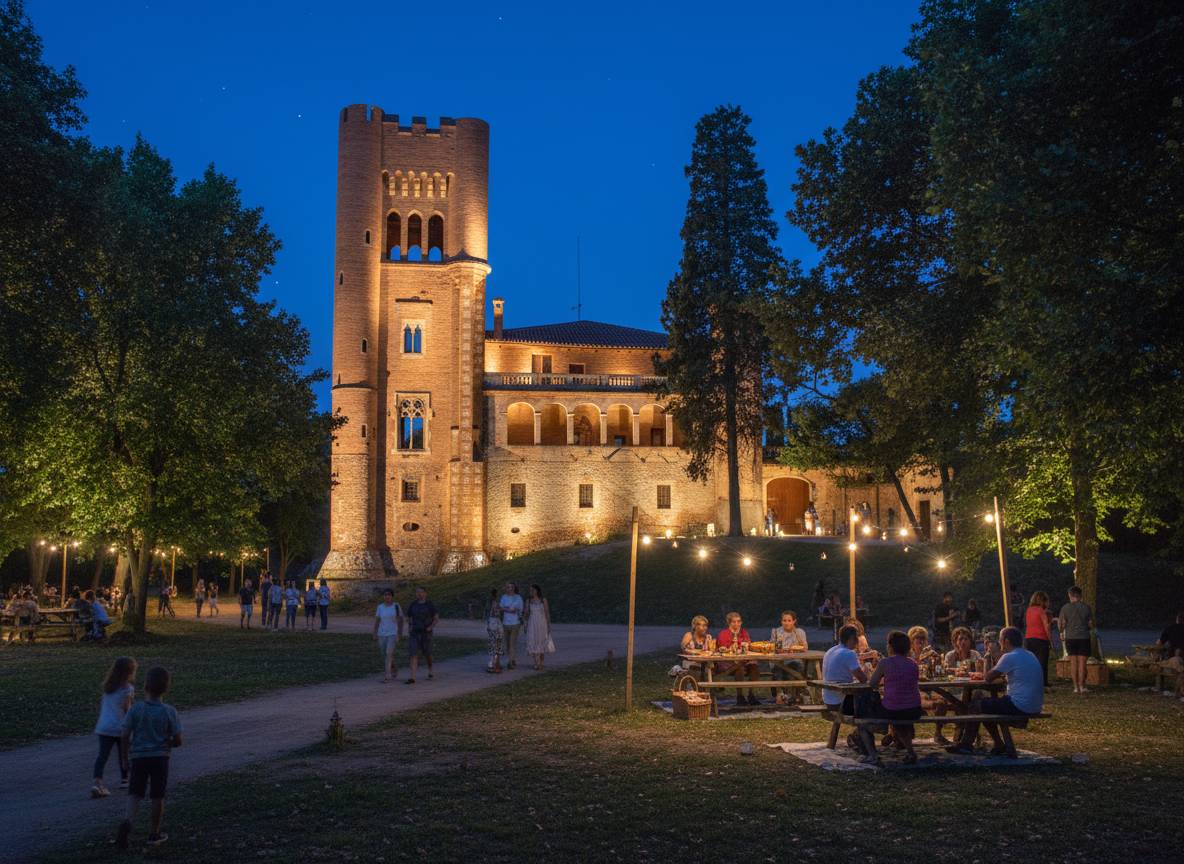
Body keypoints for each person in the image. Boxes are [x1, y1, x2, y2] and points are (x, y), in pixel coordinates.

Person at [947, 627, 1043, 756]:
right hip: (1035, 705)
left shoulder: (1009, 656)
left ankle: (966, 745)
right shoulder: (1029, 654)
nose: (999, 643)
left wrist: (991, 657)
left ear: (1006, 641)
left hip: (1019, 705)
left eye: (1000, 640)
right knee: (985, 704)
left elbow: (988, 677)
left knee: (976, 705)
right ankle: (998, 743)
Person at [116, 666, 182, 849]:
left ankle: (128, 821)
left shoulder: (136, 709)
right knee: (157, 795)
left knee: (135, 792)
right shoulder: (169, 711)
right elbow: (178, 740)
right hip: (160, 758)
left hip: (138, 758)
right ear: (167, 688)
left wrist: (124, 758)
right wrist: (168, 742)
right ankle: (154, 833)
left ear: (145, 686)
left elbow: (124, 735)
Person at [866, 630, 924, 765]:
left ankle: (870, 745)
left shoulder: (885, 663)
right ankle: (905, 747)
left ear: (890, 647)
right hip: (914, 709)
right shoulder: (913, 664)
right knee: (900, 716)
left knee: (869, 709)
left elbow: (872, 684)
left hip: (893, 709)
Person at [92, 657, 137, 798]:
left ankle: (97, 781)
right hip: (120, 727)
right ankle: (125, 778)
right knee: (123, 754)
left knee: (102, 756)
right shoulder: (128, 689)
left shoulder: (108, 687)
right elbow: (127, 709)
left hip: (104, 726)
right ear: (130, 672)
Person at [821, 625, 869, 742]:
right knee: (872, 703)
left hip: (828, 699)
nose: (857, 642)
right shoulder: (849, 653)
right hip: (840, 703)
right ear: (852, 639)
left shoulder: (831, 650)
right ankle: (861, 739)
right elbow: (863, 679)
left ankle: (859, 737)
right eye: (856, 639)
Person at [716, 612, 760, 706]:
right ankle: (740, 696)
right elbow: (722, 649)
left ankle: (751, 694)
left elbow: (748, 645)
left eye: (738, 621)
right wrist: (731, 648)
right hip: (728, 663)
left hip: (743, 660)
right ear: (729, 623)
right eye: (734, 622)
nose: (736, 624)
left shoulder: (744, 633)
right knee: (739, 669)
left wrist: (747, 646)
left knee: (754, 667)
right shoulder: (723, 634)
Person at [1058, 585, 1094, 694]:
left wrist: (1061, 632)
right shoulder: (1086, 607)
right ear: (1080, 595)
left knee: (1073, 662)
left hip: (1070, 638)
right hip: (1083, 637)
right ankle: (1082, 687)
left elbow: (1062, 624)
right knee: (1082, 663)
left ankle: (1075, 687)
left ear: (1070, 595)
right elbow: (1091, 624)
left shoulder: (1065, 608)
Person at [770, 610, 808, 704]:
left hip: (794, 660)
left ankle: (792, 696)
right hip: (779, 660)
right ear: (781, 621)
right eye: (784, 620)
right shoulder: (776, 631)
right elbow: (771, 647)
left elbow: (805, 648)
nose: (786, 623)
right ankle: (780, 695)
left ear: (794, 621)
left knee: (794, 669)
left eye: (789, 620)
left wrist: (796, 647)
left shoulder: (799, 632)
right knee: (778, 669)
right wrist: (777, 647)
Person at [405, 587, 439, 684]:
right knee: (413, 654)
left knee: (427, 654)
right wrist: (410, 625)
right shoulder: (413, 605)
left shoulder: (430, 605)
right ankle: (413, 677)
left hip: (426, 632)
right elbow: (408, 617)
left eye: (421, 592)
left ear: (425, 593)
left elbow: (436, 618)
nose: (419, 594)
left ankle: (430, 669)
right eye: (417, 592)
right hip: (414, 632)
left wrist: (431, 627)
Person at [1023, 591, 1055, 688]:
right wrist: (1051, 641)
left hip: (1029, 638)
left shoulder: (1028, 610)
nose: (1048, 604)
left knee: (1031, 662)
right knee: (1042, 662)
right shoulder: (1041, 610)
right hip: (1041, 639)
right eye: (1047, 601)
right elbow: (1046, 627)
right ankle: (1042, 682)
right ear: (1043, 601)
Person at [372, 589, 404, 683]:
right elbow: (377, 620)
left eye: (389, 595)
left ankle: (387, 675)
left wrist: (400, 633)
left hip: (392, 633)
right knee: (384, 654)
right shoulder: (380, 607)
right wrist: (374, 632)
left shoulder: (396, 606)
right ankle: (393, 667)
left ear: (392, 596)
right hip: (381, 634)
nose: (387, 597)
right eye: (385, 595)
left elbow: (401, 620)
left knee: (388, 653)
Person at [524, 583, 552, 671]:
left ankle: (541, 663)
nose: (531, 592)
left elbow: (547, 613)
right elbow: (526, 614)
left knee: (541, 641)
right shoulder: (528, 601)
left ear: (536, 591)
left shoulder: (543, 600)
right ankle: (536, 663)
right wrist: (525, 624)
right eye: (530, 590)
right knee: (533, 641)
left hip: (542, 623)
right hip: (532, 623)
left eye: (532, 590)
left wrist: (548, 625)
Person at [679, 615, 713, 680]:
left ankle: (710, 687)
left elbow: (710, 651)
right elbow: (683, 648)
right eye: (701, 625)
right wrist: (695, 653)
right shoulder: (689, 635)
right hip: (689, 662)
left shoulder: (708, 637)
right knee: (696, 667)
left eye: (705, 625)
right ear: (694, 626)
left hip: (703, 662)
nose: (704, 628)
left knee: (711, 668)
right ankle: (678, 670)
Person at [499, 582, 524, 669]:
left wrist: (506, 609)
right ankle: (512, 659)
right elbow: (501, 608)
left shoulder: (518, 598)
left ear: (514, 588)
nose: (509, 589)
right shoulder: (503, 597)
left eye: (511, 587)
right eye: (508, 587)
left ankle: (510, 663)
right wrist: (508, 609)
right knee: (508, 644)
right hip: (505, 623)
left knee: (512, 643)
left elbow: (516, 610)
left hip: (515, 623)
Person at [485, 587, 505, 674]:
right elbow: (495, 613)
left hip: (494, 623)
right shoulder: (494, 603)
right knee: (496, 643)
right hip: (495, 623)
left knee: (495, 643)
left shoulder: (492, 603)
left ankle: (493, 663)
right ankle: (493, 664)